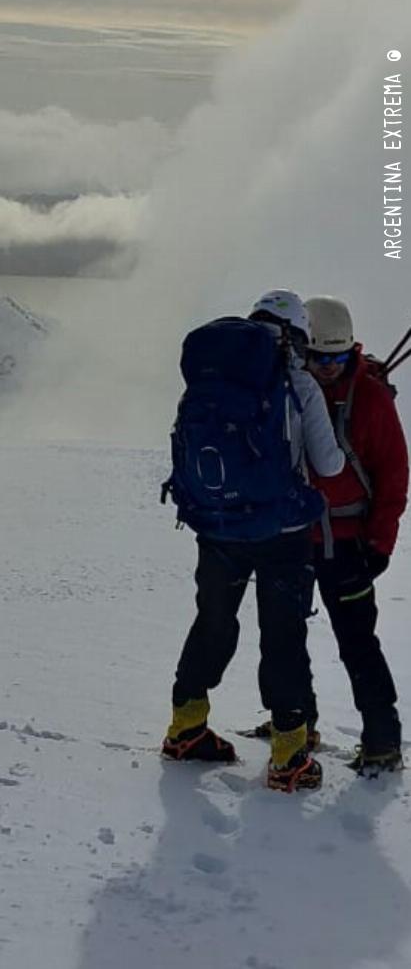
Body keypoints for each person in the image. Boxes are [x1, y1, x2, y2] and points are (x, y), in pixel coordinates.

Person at [162, 289, 345, 791]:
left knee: (213, 622)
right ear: (297, 334)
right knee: (283, 636)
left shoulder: (214, 374)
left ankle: (186, 728)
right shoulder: (298, 382)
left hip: (215, 526)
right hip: (280, 533)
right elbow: (329, 465)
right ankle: (289, 758)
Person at [302, 296, 408, 772]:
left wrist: (380, 546)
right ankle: (295, 723)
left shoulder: (369, 398)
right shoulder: (292, 387)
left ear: (351, 351)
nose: (327, 367)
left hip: (348, 543)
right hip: (295, 538)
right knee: (283, 637)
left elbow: (394, 476)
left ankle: (382, 739)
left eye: (337, 358)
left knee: (357, 640)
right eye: (318, 357)